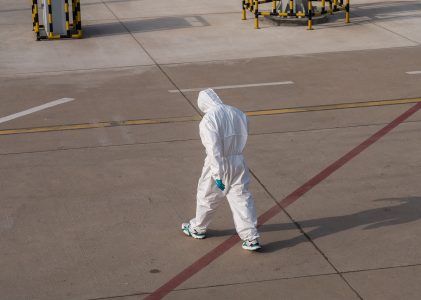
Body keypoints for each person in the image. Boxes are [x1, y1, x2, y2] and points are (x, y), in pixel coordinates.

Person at [181, 88, 261, 251]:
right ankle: (251, 238)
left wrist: (217, 174)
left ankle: (198, 227)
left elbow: (213, 149)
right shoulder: (237, 112)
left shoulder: (209, 119)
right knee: (242, 199)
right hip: (238, 161)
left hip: (218, 164)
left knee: (207, 196)